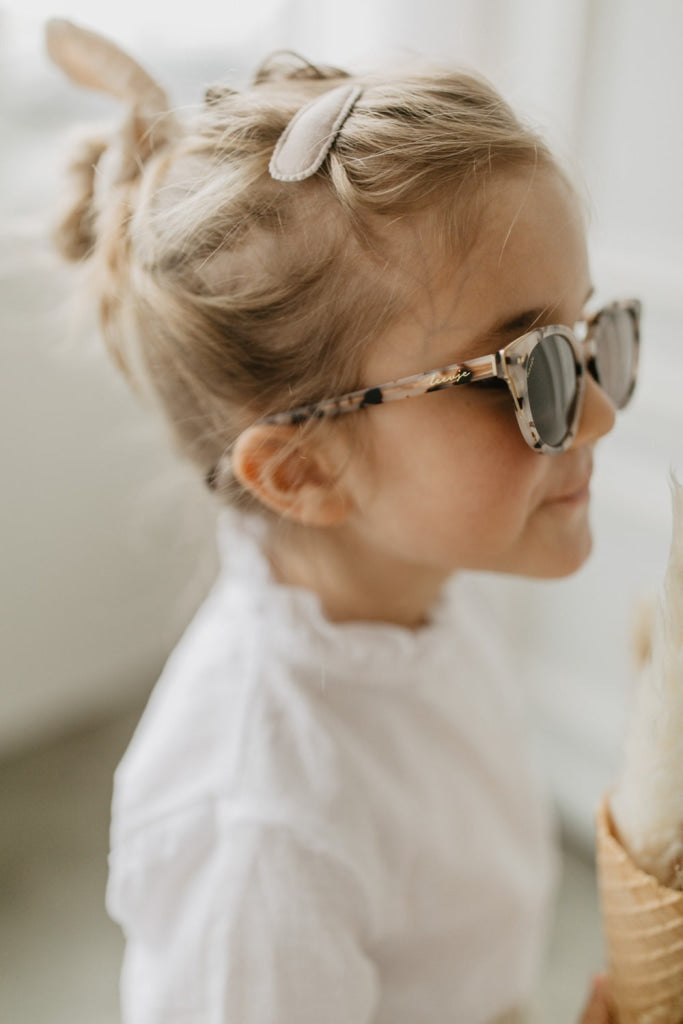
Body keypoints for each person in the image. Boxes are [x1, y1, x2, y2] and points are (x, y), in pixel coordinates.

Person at [46, 17, 636, 1024]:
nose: (596, 409)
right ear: (305, 469)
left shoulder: (416, 601)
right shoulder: (262, 829)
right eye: (521, 372)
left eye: (589, 339)